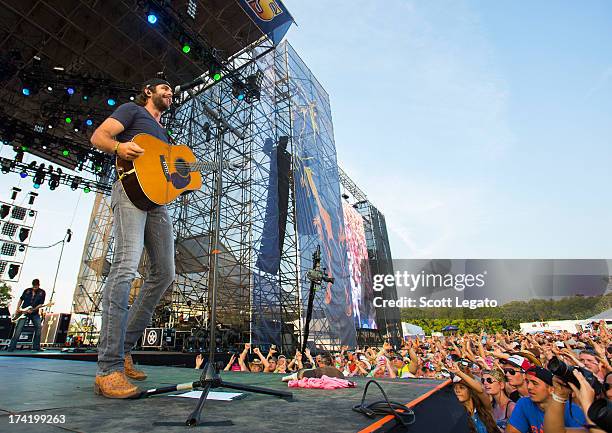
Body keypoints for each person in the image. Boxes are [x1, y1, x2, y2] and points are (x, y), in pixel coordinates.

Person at [90, 78, 176, 398]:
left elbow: (161, 169)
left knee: (165, 273)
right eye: (164, 88)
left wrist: (180, 177)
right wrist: (118, 147)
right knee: (126, 266)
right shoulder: (131, 111)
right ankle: (108, 368)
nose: (170, 93)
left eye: (172, 91)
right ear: (149, 91)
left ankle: (124, 349)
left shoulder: (163, 133)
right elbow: (99, 135)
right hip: (128, 192)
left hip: (155, 201)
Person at [506, 367, 586, 433]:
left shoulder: (572, 410)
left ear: (551, 389)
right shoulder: (524, 403)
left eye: (535, 383)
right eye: (527, 382)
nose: (529, 387)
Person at [7, 279, 45, 352]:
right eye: (34, 286)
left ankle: (36, 347)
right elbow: (21, 299)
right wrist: (18, 309)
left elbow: (41, 304)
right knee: (18, 329)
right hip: (24, 312)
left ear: (38, 285)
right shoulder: (27, 290)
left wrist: (34, 309)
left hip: (34, 312)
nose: (35, 288)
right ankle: (12, 347)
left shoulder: (42, 292)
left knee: (38, 328)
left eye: (36, 286)